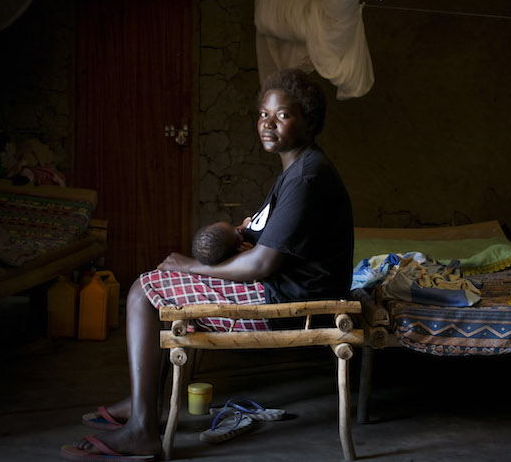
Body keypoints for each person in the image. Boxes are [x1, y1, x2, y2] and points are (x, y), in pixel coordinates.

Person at [61, 68, 354, 460]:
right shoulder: (297, 169)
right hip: (282, 284)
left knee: (144, 291)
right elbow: (260, 239)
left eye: (283, 115)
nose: (268, 123)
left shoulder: (306, 177)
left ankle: (141, 428)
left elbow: (262, 265)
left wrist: (191, 267)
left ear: (309, 121)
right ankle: (141, 401)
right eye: (264, 114)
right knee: (155, 284)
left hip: (285, 298)